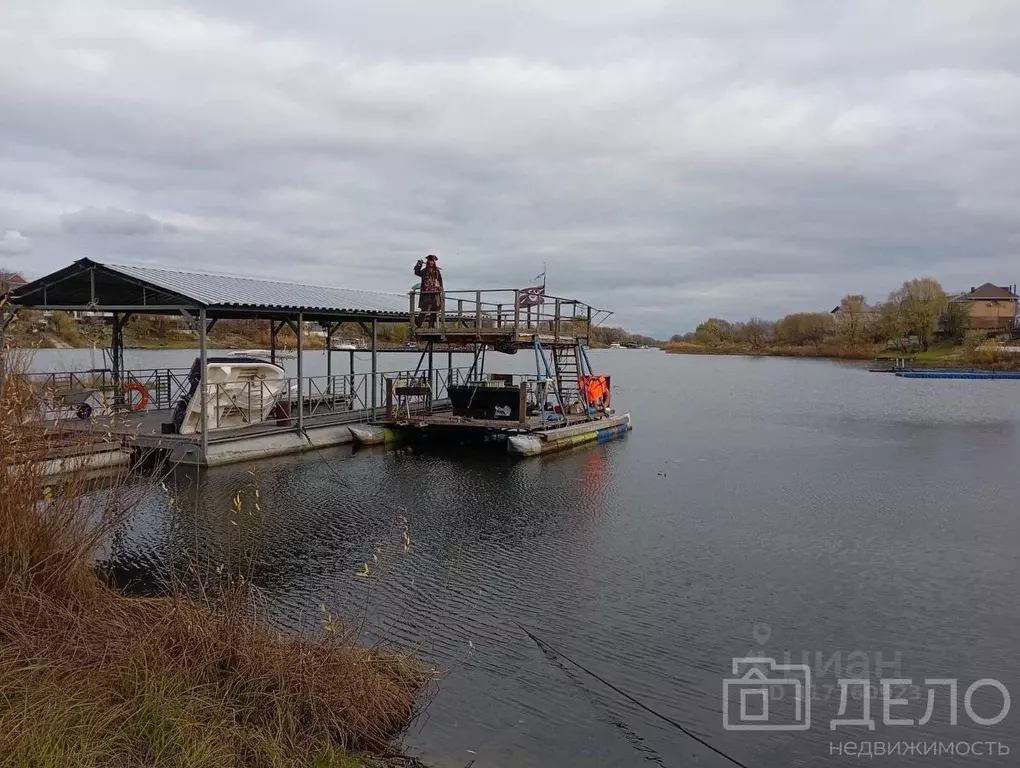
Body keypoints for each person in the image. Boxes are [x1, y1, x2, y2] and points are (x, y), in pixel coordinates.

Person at [414, 254, 443, 328]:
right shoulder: (424, 271)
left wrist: (441, 290)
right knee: (424, 309)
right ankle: (419, 324)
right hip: (426, 293)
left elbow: (440, 281)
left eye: (432, 261)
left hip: (435, 293)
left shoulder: (437, 271)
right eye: (430, 261)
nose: (431, 262)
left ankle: (431, 325)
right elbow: (417, 272)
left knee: (435, 309)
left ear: (434, 262)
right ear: (428, 262)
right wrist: (419, 264)